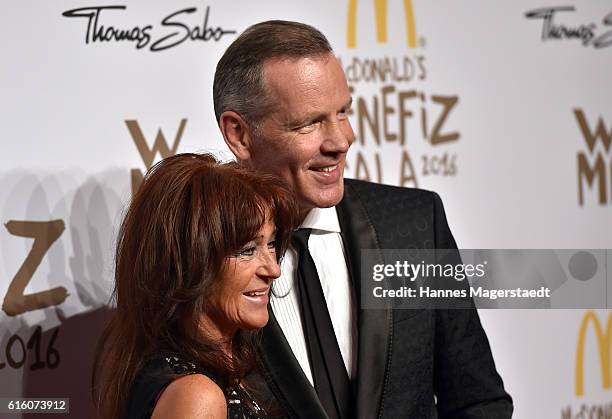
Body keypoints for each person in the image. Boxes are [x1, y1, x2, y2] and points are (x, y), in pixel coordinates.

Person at [214, 21, 513, 418]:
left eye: (343, 113)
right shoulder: (200, 253)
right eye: (309, 123)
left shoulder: (415, 227)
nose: (340, 140)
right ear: (239, 135)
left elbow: (479, 403)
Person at [92, 153, 298, 418]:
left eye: (271, 244)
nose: (274, 269)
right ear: (190, 262)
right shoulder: (196, 395)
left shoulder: (226, 369)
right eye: (247, 250)